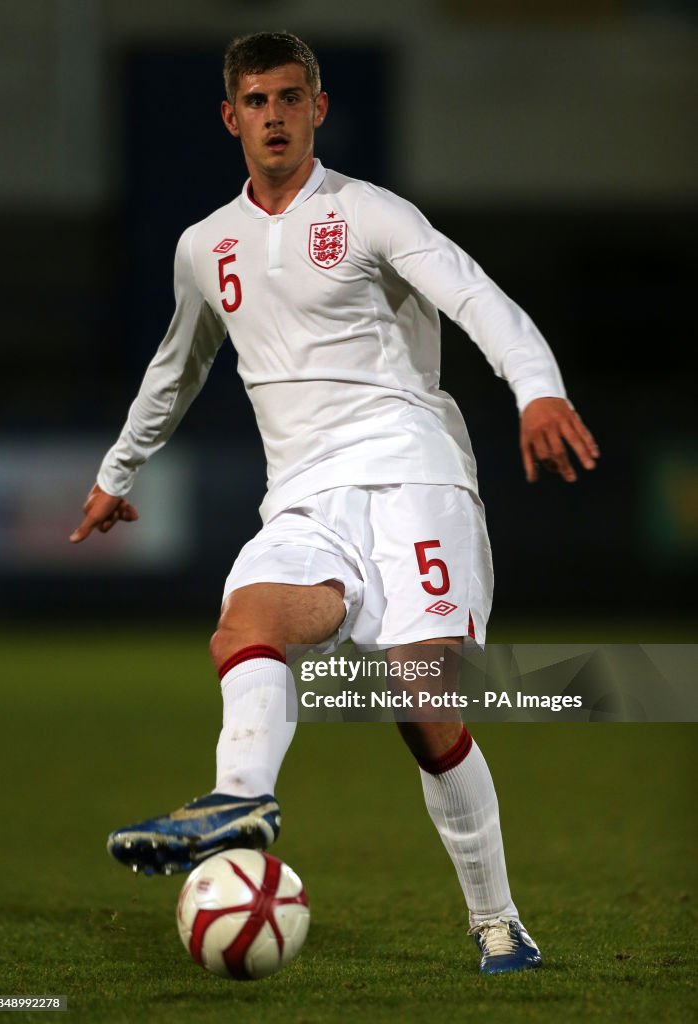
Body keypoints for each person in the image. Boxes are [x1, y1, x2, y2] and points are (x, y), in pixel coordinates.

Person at [70, 31, 599, 974]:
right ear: (230, 118)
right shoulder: (206, 247)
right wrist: (119, 471)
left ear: (317, 107)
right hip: (305, 498)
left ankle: (497, 921)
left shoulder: (370, 214)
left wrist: (538, 387)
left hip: (413, 474)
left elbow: (476, 297)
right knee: (245, 625)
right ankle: (237, 800)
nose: (273, 115)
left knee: (420, 696)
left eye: (289, 97)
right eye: (255, 101)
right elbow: (176, 368)